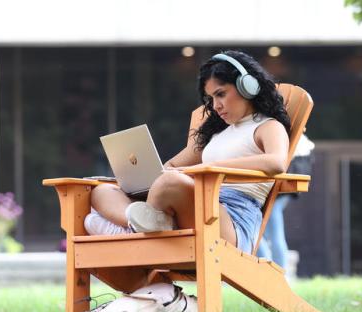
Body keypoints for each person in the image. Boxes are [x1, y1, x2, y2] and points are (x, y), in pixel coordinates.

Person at [83, 50, 291, 254]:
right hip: (198, 208)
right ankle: (136, 225)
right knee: (102, 191)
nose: (216, 106)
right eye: (210, 99)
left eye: (221, 94)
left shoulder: (267, 126)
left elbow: (276, 162)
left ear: (247, 87)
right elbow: (171, 167)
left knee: (170, 182)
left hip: (231, 222)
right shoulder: (218, 134)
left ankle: (132, 232)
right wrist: (147, 181)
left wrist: (209, 168)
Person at [256, 135, 314, 270]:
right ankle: (275, 274)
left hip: (280, 180)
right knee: (266, 232)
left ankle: (277, 275)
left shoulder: (275, 125)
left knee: (269, 233)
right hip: (282, 179)